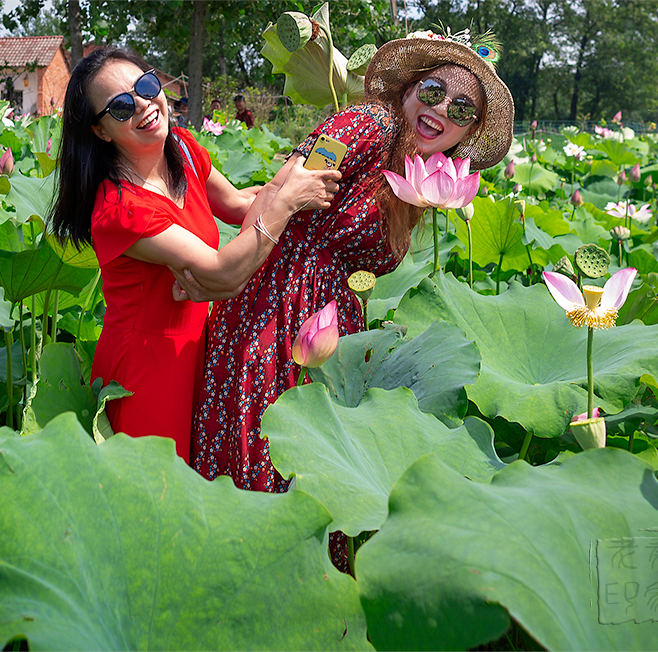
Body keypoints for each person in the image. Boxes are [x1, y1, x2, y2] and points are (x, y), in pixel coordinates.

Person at [180, 29, 513, 570]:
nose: (440, 111)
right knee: (264, 450)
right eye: (432, 92)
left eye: (461, 108)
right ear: (407, 88)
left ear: (469, 129)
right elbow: (291, 180)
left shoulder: (416, 172)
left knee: (316, 463)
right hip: (279, 300)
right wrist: (231, 267)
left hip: (330, 316)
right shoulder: (368, 123)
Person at [49, 48, 341, 462]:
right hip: (148, 368)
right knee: (159, 492)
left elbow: (240, 205)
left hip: (202, 346)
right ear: (100, 132)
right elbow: (224, 273)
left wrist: (296, 172)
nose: (145, 106)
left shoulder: (181, 149)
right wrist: (288, 202)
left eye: (147, 86)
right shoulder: (121, 211)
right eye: (120, 106)